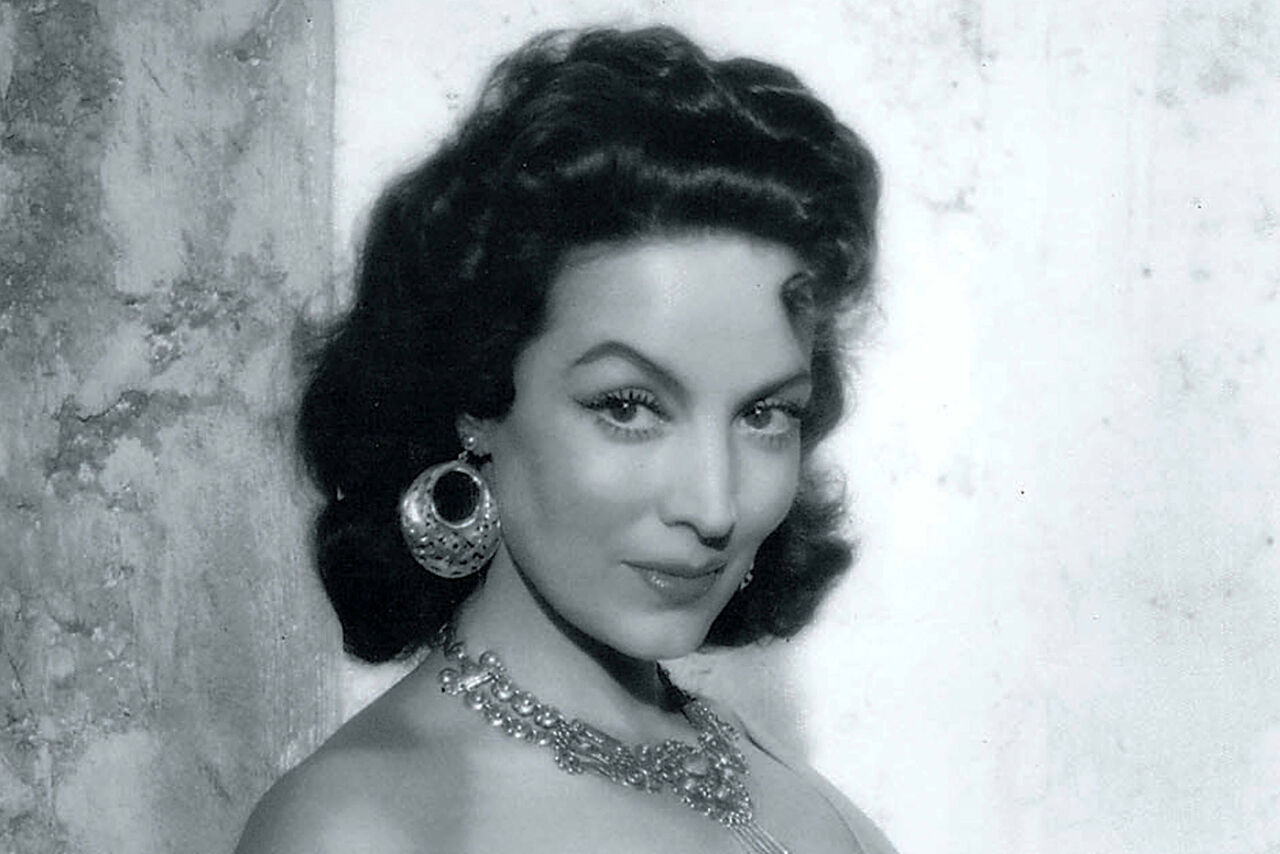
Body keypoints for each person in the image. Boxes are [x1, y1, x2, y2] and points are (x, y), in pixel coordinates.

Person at [236, 25, 894, 854]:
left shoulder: (787, 792)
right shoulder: (362, 831)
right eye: (628, 406)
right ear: (477, 397)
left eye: (764, 414)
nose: (714, 506)